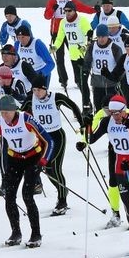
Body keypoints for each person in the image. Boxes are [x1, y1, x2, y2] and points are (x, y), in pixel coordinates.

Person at [0, 95, 53, 247]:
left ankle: (36, 234)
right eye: (2, 112)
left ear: (15, 110)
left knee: (27, 196)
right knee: (9, 196)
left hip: (32, 157)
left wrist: (43, 161)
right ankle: (16, 232)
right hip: (14, 159)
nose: (5, 115)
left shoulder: (26, 120)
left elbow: (48, 140)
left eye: (8, 112)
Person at [84, 96, 129, 252]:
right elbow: (90, 139)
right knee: (128, 206)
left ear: (124, 110)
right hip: (121, 167)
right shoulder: (107, 121)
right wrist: (87, 124)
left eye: (118, 113)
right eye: (112, 113)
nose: (115, 116)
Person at [25, 76, 83, 216]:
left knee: (54, 167)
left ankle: (62, 199)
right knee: (47, 170)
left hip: (57, 136)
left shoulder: (56, 97)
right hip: (41, 139)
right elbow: (20, 114)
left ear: (45, 89)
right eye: (34, 90)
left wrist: (82, 123)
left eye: (39, 90)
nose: (37, 93)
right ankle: (62, 190)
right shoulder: (30, 99)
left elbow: (73, 106)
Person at [43, 0, 96, 91]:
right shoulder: (53, 0)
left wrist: (93, 10)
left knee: (75, 55)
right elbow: (47, 16)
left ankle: (78, 79)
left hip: (70, 30)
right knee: (60, 58)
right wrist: (53, 8)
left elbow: (81, 7)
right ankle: (63, 80)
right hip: (57, 32)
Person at [51, 1, 93, 109]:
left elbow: (90, 36)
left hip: (84, 56)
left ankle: (87, 106)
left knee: (83, 82)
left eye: (70, 11)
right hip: (74, 56)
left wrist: (85, 47)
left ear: (75, 11)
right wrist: (54, 47)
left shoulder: (82, 20)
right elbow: (60, 38)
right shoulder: (63, 22)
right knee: (79, 82)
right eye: (65, 11)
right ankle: (87, 103)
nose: (67, 13)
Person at [84, 23, 125, 111]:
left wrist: (118, 79)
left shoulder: (115, 48)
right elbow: (87, 62)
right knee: (98, 107)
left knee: (112, 107)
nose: (101, 39)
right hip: (97, 82)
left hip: (111, 82)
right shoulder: (92, 47)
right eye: (99, 36)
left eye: (103, 36)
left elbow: (121, 66)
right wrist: (84, 70)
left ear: (107, 36)